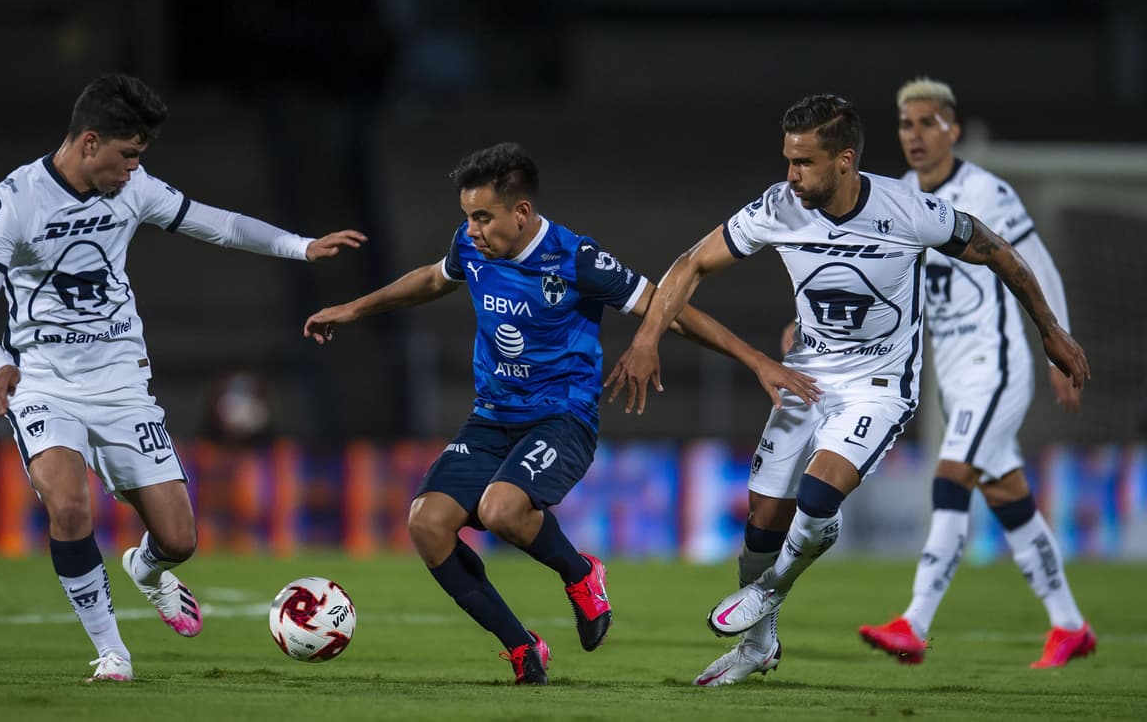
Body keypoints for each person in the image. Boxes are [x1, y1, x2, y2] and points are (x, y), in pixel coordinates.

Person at [604, 94, 1090, 687]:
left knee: (819, 491)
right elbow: (691, 264)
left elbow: (997, 252)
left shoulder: (908, 210)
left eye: (803, 163)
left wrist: (1051, 331)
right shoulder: (778, 208)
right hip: (807, 374)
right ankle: (759, 646)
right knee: (762, 518)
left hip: (878, 384)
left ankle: (771, 589)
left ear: (844, 160)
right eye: (787, 160)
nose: (790, 175)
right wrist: (649, 336)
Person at [303, 142, 820, 685]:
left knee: (502, 510)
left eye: (483, 217)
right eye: (467, 217)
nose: (472, 230)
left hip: (562, 418)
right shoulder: (471, 246)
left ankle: (580, 573)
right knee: (427, 524)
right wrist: (354, 308)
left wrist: (754, 360)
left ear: (521, 212)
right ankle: (523, 649)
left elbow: (671, 307)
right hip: (491, 417)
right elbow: (433, 280)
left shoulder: (575, 258)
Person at [0, 73, 366, 682]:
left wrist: (299, 246)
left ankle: (146, 570)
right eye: (127, 157)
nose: (132, 172)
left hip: (122, 381)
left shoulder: (134, 188)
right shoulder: (18, 198)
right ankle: (113, 652)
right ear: (90, 142)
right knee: (69, 507)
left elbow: (215, 223)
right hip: (43, 383)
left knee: (179, 539)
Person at [857, 77, 1095, 668]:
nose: (915, 135)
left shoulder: (987, 192)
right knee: (1005, 493)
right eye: (906, 124)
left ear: (952, 129)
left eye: (928, 123)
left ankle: (914, 621)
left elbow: (1036, 264)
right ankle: (1069, 624)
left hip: (998, 364)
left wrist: (1055, 345)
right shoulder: (904, 193)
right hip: (953, 375)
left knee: (951, 476)